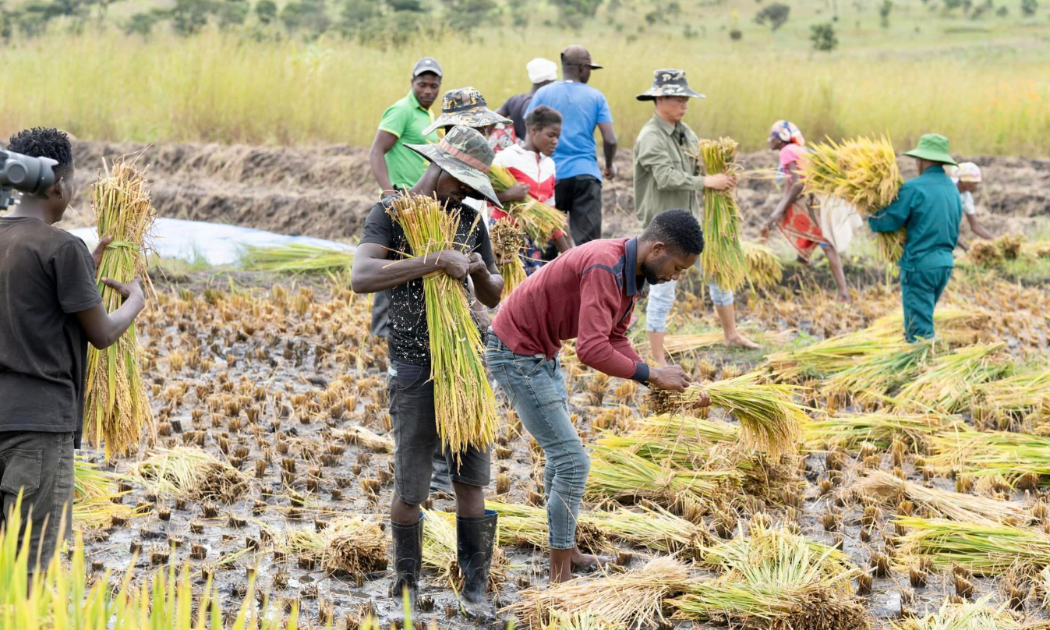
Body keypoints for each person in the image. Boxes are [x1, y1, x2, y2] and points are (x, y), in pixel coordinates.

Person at [488, 208, 710, 583]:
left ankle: (567, 551)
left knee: (563, 459)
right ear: (658, 249)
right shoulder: (606, 265)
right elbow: (591, 350)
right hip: (516, 352)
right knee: (573, 462)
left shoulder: (632, 275)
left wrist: (662, 384)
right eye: (677, 268)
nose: (675, 277)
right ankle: (559, 576)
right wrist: (654, 373)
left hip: (541, 352)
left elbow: (615, 338)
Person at [350, 126, 504, 621]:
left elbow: (494, 292)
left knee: (471, 480)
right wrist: (434, 261)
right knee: (412, 486)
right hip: (415, 364)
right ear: (436, 167)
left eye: (472, 188)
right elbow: (362, 277)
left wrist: (479, 271)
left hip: (467, 363)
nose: (462, 194)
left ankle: (475, 591)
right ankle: (405, 591)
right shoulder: (391, 213)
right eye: (458, 182)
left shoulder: (469, 219)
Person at [0, 127, 146, 574]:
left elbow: (28, 299)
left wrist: (85, 269)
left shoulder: (39, 247)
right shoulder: (61, 248)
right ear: (58, 186)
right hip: (36, 431)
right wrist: (135, 302)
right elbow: (102, 333)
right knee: (28, 569)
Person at [631, 69, 758, 365]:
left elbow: (698, 169)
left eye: (686, 98)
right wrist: (706, 182)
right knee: (663, 289)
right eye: (678, 98)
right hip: (663, 229)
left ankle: (731, 335)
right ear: (659, 99)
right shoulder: (650, 137)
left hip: (691, 223)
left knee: (719, 274)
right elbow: (665, 177)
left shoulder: (686, 132)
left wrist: (721, 176)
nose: (684, 103)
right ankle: (658, 358)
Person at [367, 56, 443, 340]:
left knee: (411, 267)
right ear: (412, 83)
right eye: (422, 84)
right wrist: (389, 194)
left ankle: (404, 331)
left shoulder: (429, 116)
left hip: (421, 205)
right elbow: (376, 151)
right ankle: (380, 333)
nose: (428, 90)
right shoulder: (401, 111)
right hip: (401, 202)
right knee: (390, 265)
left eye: (433, 85)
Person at [869, 134, 962, 342]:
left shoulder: (914, 188)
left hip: (920, 265)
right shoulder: (952, 190)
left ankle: (924, 360)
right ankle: (921, 355)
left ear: (922, 160)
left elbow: (888, 221)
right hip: (944, 264)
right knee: (921, 320)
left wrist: (872, 214)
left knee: (919, 332)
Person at [526, 45, 617, 246]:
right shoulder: (596, 97)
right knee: (587, 245)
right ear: (583, 68)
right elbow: (610, 140)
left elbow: (529, 130)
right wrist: (609, 166)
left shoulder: (543, 93)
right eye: (590, 69)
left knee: (547, 240)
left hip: (550, 176)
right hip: (585, 175)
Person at [760, 121, 852, 303]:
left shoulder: (787, 151)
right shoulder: (796, 150)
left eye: (772, 136)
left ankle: (843, 293)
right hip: (816, 200)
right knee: (796, 222)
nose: (769, 140)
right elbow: (791, 185)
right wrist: (778, 212)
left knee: (826, 244)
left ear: (782, 138)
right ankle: (801, 266)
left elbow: (798, 184)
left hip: (813, 203)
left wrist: (778, 212)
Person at [491, 105, 574, 274]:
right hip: (505, 236)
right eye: (550, 135)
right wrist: (508, 195)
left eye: (557, 137)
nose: (555, 141)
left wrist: (571, 256)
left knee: (530, 286)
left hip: (532, 241)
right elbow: (481, 197)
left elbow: (550, 214)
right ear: (533, 130)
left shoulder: (549, 165)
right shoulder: (507, 158)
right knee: (507, 286)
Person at [493, 57, 559, 147]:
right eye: (553, 83)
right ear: (544, 83)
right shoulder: (539, 104)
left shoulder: (514, 100)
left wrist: (493, 137)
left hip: (515, 149)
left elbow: (492, 119)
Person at [948, 162, 993, 250]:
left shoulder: (966, 196)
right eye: (974, 183)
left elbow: (975, 226)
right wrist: (965, 247)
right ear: (963, 180)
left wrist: (996, 241)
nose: (976, 187)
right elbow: (945, 226)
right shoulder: (948, 189)